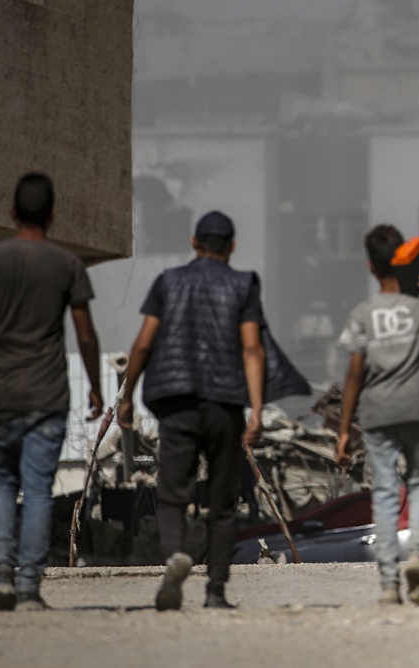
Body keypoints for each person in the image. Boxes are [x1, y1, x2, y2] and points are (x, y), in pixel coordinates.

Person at [119, 210, 305, 610]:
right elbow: (252, 348)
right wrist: (256, 409)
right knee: (222, 505)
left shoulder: (168, 282)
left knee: (171, 496)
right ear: (232, 247)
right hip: (224, 404)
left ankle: (175, 558)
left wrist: (125, 397)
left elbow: (144, 343)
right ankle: (216, 592)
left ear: (194, 243)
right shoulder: (243, 285)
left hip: (175, 401)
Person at [0, 172, 104, 611]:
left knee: (2, 483)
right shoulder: (67, 266)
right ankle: (29, 587)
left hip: (2, 392)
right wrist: (97, 387)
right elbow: (85, 334)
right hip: (47, 394)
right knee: (39, 489)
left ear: (11, 212)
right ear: (53, 215)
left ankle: (1, 576)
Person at [334, 225, 419, 605]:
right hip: (416, 408)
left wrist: (343, 430)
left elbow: (354, 373)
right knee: (418, 483)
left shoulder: (363, 314)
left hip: (376, 412)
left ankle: (388, 583)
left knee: (384, 493)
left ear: (370, 265)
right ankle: (417, 553)